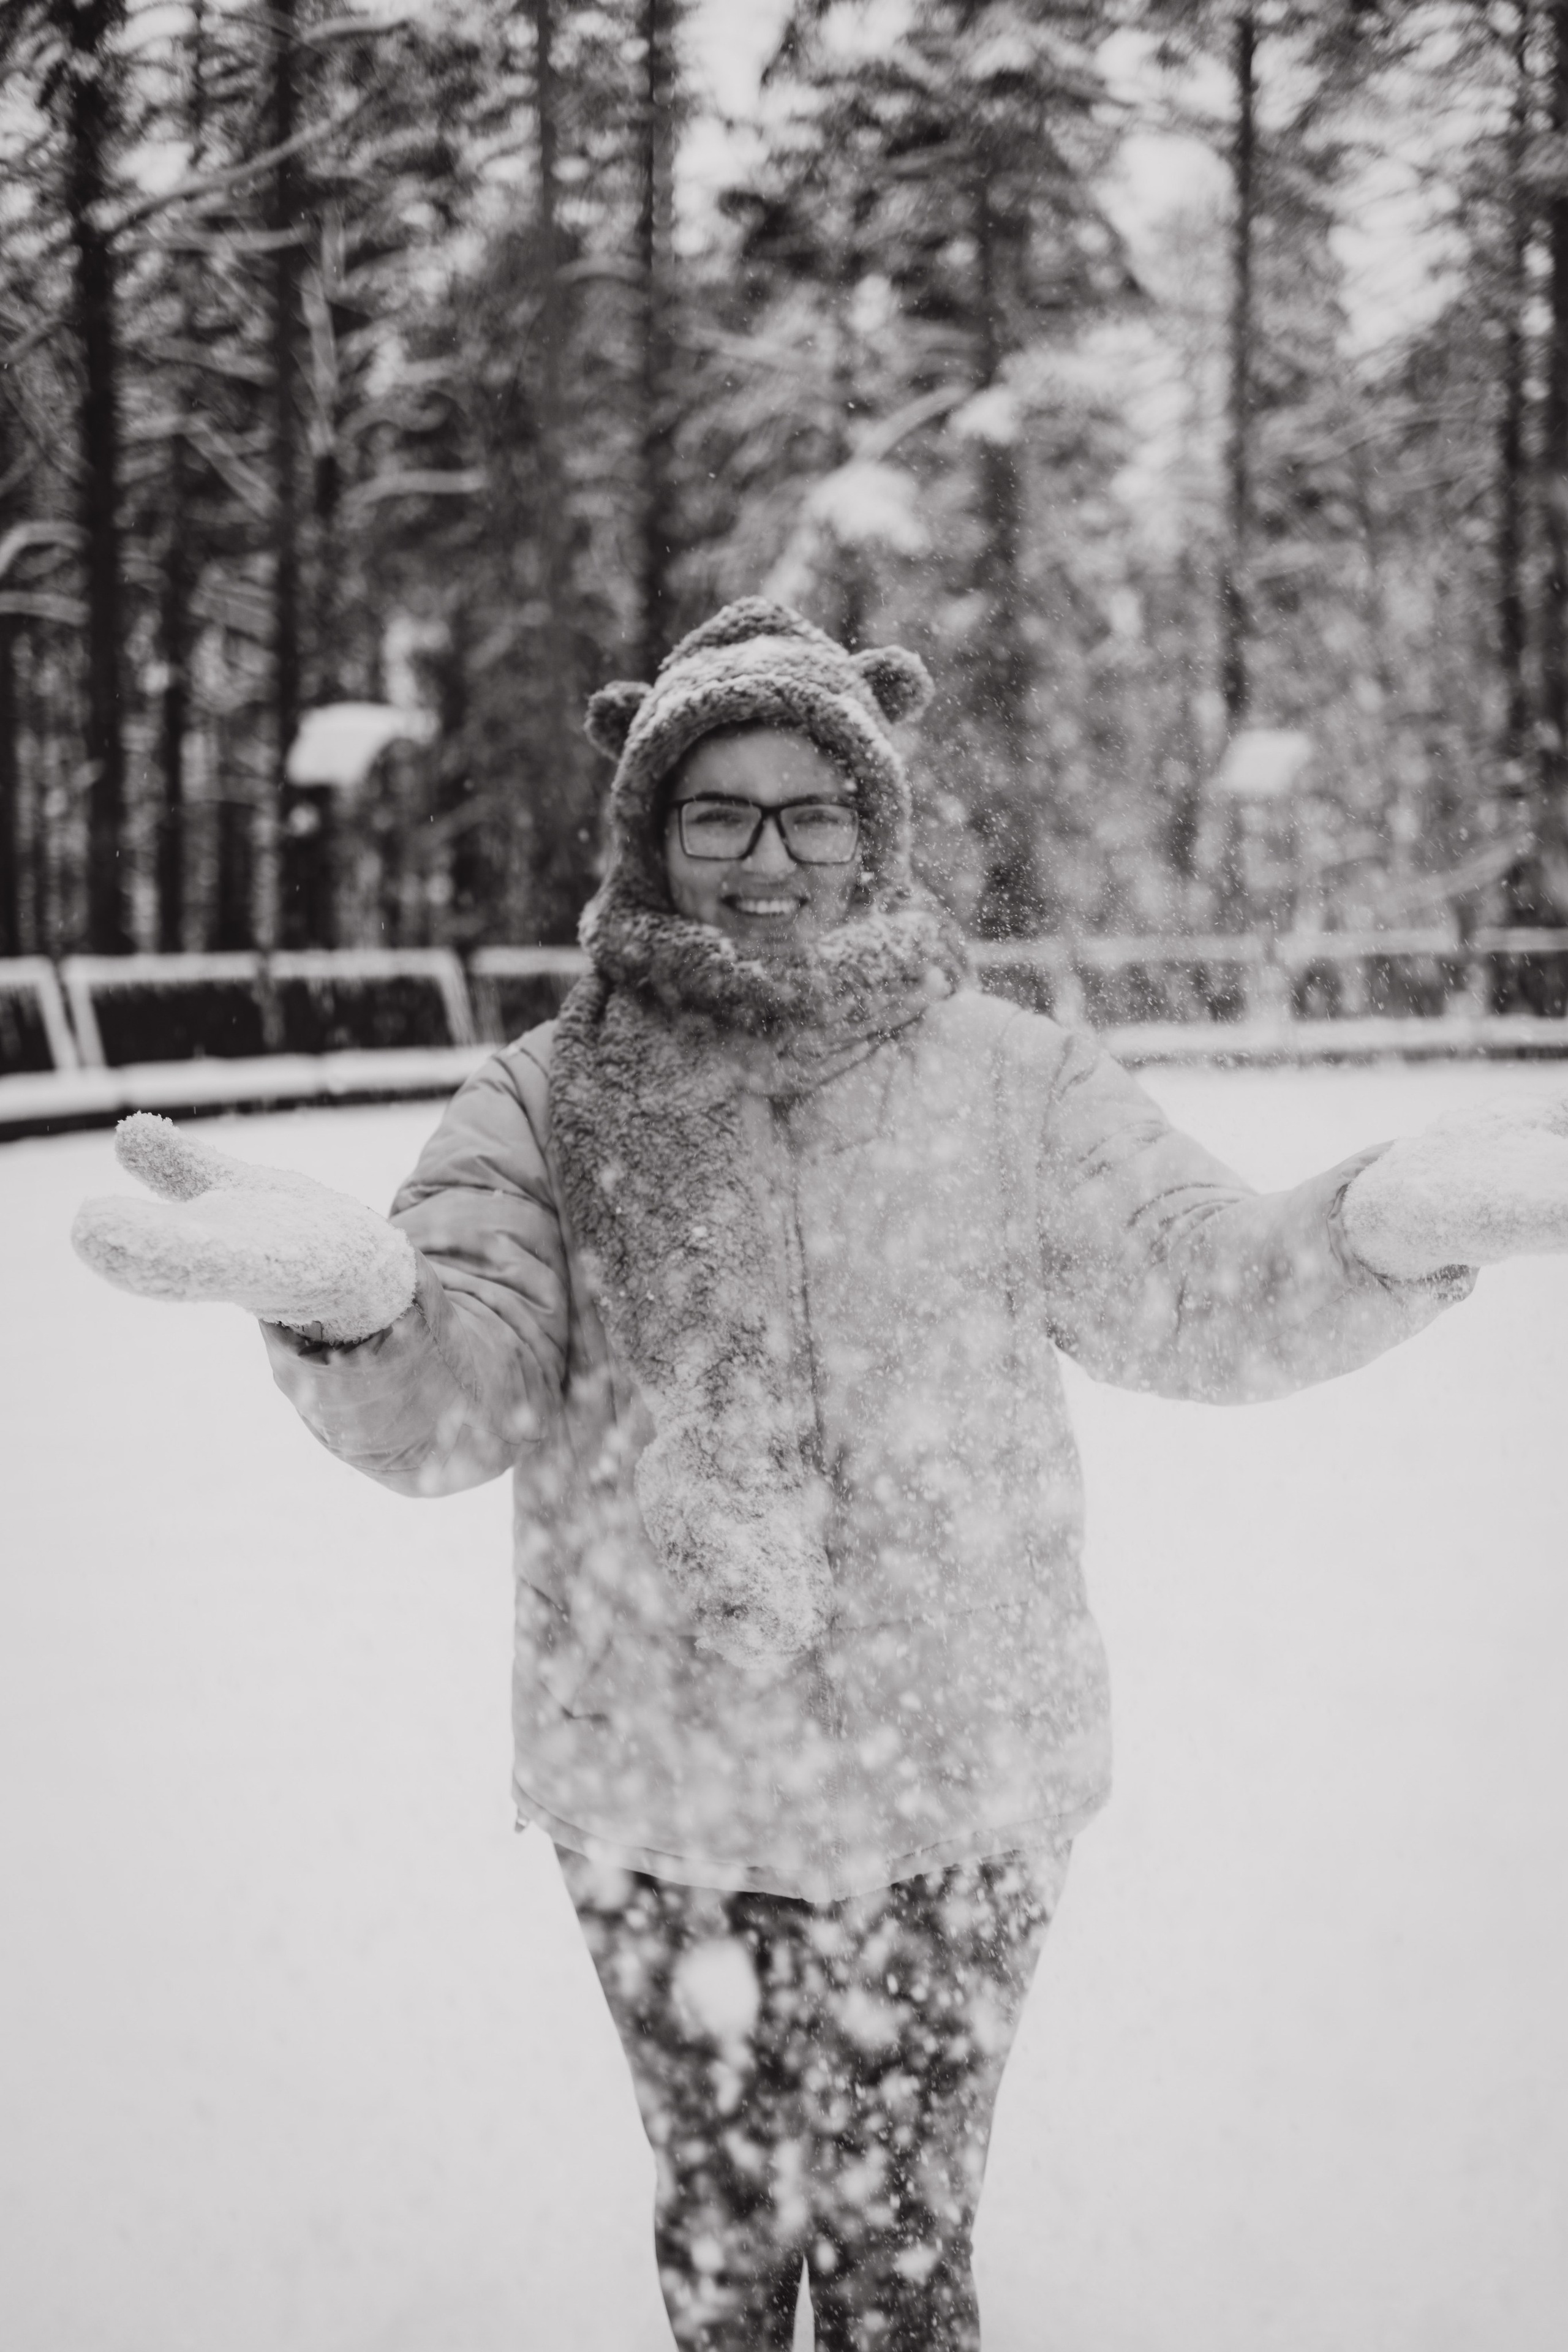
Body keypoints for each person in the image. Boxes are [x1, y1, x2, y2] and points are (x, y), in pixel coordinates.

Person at [72, 597, 1568, 2351]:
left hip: (960, 1789)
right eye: (718, 812)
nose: (765, 856)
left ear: (875, 826)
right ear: (651, 832)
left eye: (812, 809)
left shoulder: (1015, 1085)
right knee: (724, 2251)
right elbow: (461, 1400)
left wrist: (1368, 1235)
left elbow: (1195, 1285)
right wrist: (363, 1314)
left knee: (902, 2260)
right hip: (663, 1804)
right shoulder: (546, 1104)